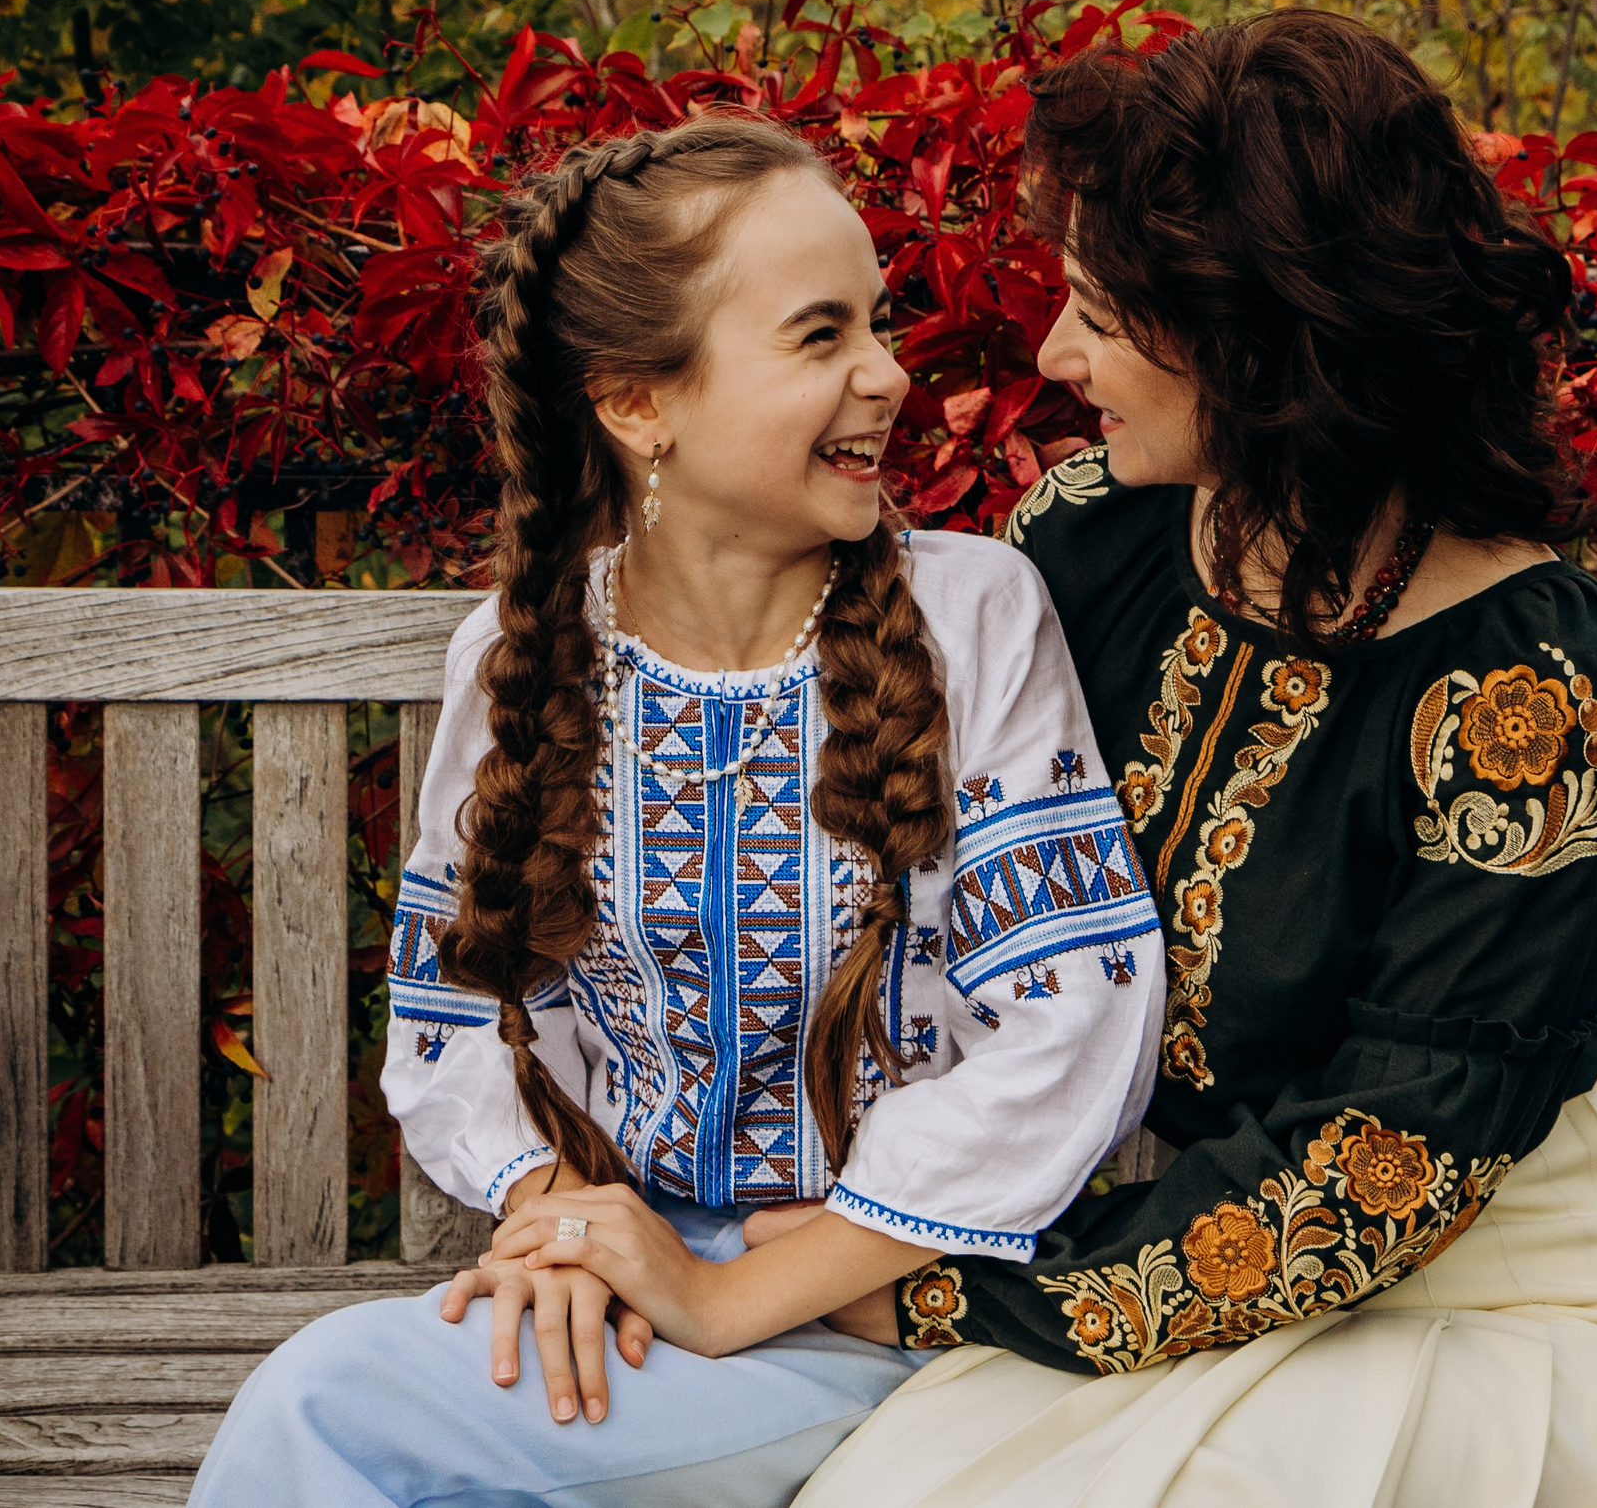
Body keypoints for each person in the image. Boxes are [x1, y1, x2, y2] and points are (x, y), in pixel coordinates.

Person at [797, 10, 1597, 1506]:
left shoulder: (1531, 681)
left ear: (1262, 340)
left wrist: (918, 1294)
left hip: (1483, 1292)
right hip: (1168, 1256)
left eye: (1102, 317)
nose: (1053, 356)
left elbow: (1379, 1183)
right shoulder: (1090, 537)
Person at [187, 113, 1165, 1507]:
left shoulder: (972, 619)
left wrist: (749, 1290)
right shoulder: (523, 652)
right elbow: (448, 1008)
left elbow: (1076, 1018)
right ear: (640, 401)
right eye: (820, 336)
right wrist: (557, 1219)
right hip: (624, 1287)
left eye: (877, 324)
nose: (889, 376)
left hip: (895, 1304)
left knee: (328, 1409)